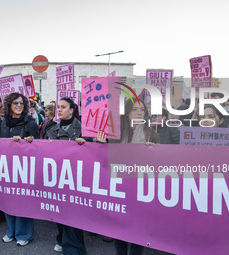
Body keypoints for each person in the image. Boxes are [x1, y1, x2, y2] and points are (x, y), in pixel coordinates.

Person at [98, 98, 159, 255]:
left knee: (139, 229)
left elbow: (159, 164)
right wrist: (101, 143)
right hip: (119, 187)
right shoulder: (115, 133)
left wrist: (154, 151)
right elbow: (104, 158)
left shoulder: (152, 134)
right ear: (127, 113)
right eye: (135, 109)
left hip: (140, 188)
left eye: (142, 110)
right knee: (120, 228)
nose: (139, 112)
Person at [0, 93, 39, 246]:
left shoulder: (30, 123)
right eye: (15, 102)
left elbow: (39, 147)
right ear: (9, 105)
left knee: (23, 201)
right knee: (8, 200)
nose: (19, 105)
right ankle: (11, 232)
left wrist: (27, 142)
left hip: (24, 169)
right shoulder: (4, 123)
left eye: (22, 103)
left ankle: (24, 234)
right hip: (6, 168)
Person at [44, 97, 89, 255]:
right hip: (56, 178)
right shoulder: (51, 129)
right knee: (60, 211)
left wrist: (89, 143)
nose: (60, 110)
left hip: (76, 178)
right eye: (58, 107)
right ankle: (62, 238)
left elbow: (97, 150)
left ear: (72, 110)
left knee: (74, 213)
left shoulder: (84, 129)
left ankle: (74, 248)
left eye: (64, 107)